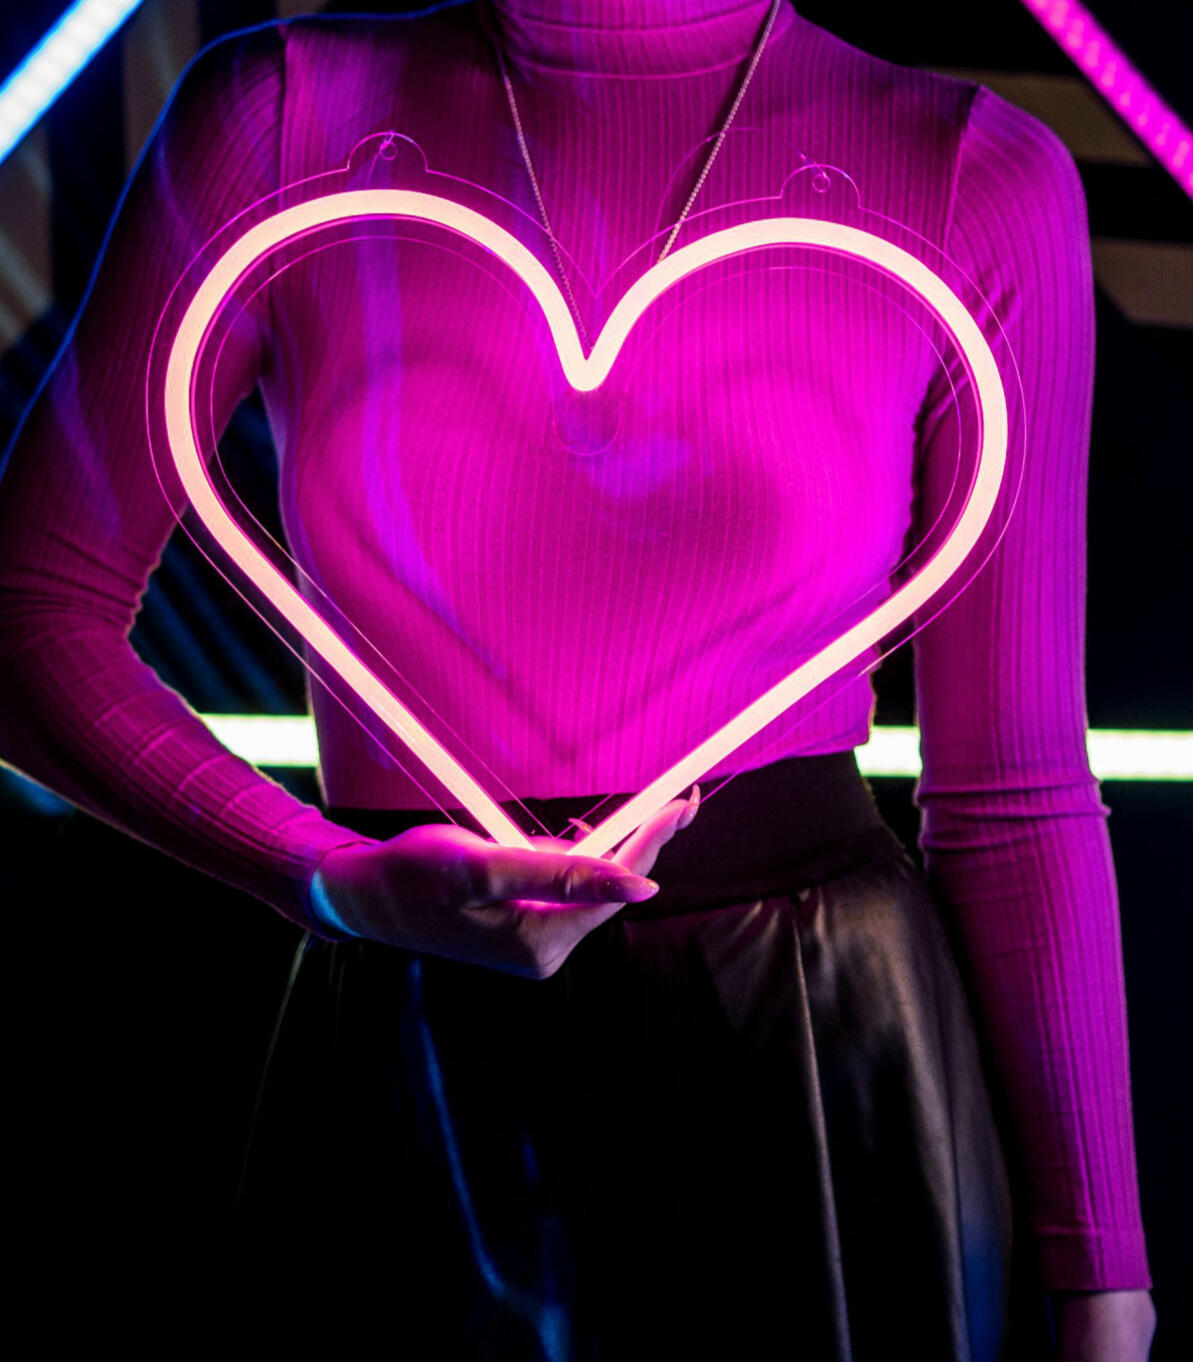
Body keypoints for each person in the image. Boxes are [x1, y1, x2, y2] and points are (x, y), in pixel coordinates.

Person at [0, 0, 1157, 1356]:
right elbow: (29, 613)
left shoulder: (969, 173)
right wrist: (323, 875)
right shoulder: (279, 119)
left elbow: (1011, 786)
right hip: (406, 1038)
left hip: (819, 1055)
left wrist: (1101, 1277)